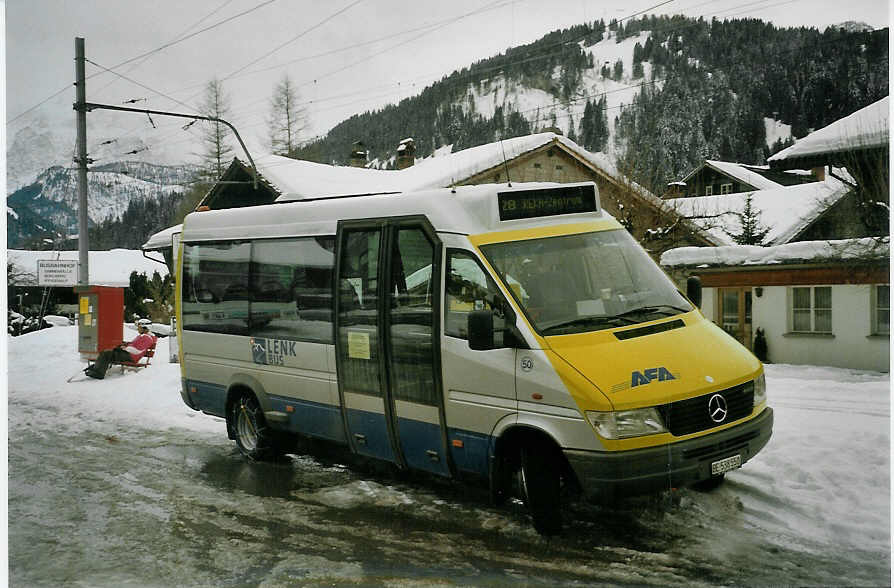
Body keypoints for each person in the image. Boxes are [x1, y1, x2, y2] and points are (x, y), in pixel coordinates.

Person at [84, 319, 157, 379]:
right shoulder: (143, 336)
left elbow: (137, 351)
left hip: (131, 357)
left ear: (145, 328)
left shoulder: (147, 338)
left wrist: (125, 348)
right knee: (107, 351)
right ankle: (96, 368)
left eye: (139, 327)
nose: (138, 328)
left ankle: (99, 373)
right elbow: (133, 344)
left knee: (107, 353)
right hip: (128, 354)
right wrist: (123, 344)